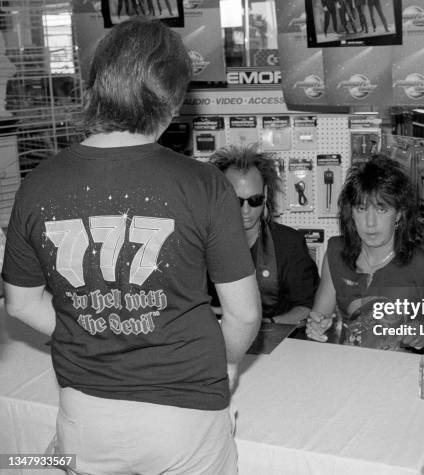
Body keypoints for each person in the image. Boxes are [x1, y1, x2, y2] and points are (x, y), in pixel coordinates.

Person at [1, 19, 260, 474]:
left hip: (86, 417)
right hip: (187, 418)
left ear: (95, 85)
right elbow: (242, 313)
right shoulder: (202, 184)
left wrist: (89, 329)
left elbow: (21, 304)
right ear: (174, 98)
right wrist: (229, 361)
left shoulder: (38, 184)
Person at [306, 155, 424, 352]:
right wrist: (318, 327)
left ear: (399, 213)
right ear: (351, 213)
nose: (370, 223)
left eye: (382, 210)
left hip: (405, 374)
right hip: (351, 368)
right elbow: (320, 317)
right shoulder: (336, 252)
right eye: (361, 209)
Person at [210, 145, 320, 325]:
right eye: (236, 201)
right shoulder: (201, 244)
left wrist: (267, 324)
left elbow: (307, 307)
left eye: (254, 200)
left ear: (266, 195)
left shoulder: (289, 244)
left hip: (278, 344)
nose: (246, 210)